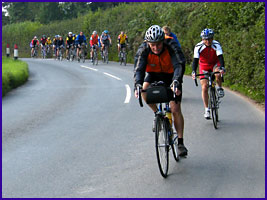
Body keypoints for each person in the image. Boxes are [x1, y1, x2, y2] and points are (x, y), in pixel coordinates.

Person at [134, 25, 188, 157]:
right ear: (148, 43)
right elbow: (139, 68)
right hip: (153, 74)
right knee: (143, 92)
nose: (156, 48)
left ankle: (180, 142)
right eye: (152, 45)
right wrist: (137, 84)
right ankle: (158, 113)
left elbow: (178, 64)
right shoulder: (143, 50)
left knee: (175, 108)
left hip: (171, 76)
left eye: (158, 44)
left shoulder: (171, 45)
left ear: (163, 41)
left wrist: (176, 80)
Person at [191, 28, 226, 119]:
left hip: (215, 64)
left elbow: (220, 57)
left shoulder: (216, 44)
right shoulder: (198, 46)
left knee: (217, 74)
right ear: (202, 39)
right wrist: (194, 71)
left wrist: (222, 67)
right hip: (204, 65)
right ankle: (207, 109)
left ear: (212, 38)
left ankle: (219, 87)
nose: (208, 41)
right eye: (205, 39)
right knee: (204, 87)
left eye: (210, 39)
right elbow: (195, 61)